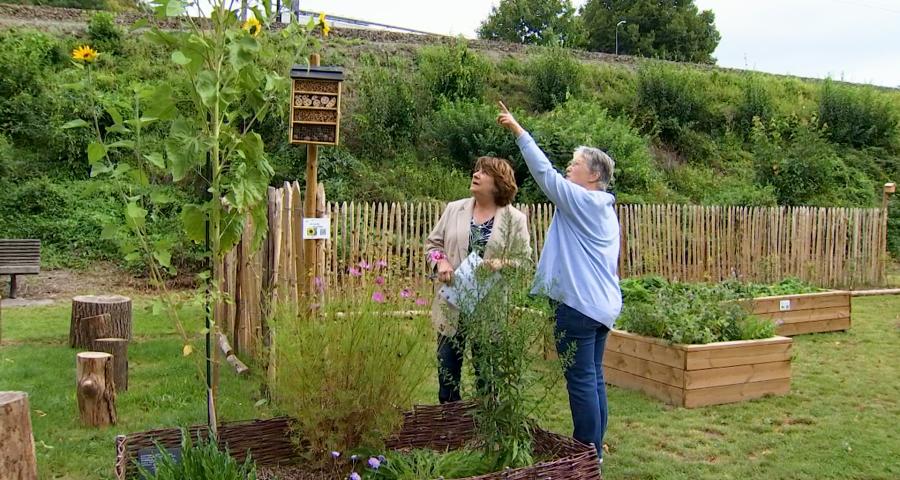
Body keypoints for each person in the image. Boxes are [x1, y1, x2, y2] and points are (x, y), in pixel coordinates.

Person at [497, 101, 621, 462]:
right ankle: (595, 450)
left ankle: (586, 454)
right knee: (593, 379)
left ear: (593, 176)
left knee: (582, 382)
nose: (570, 167)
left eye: (576, 163)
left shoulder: (582, 201)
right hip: (601, 307)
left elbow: (544, 174)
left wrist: (519, 131)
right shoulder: (604, 208)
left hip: (579, 306)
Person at [425, 156, 531, 404]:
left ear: (499, 183)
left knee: (487, 374)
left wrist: (500, 264)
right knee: (448, 372)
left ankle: (484, 427)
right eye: (476, 170)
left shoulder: (515, 220)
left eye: (484, 172)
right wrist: (441, 261)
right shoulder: (454, 209)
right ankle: (450, 426)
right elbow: (433, 245)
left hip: (489, 306)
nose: (476, 174)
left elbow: (524, 262)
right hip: (451, 303)